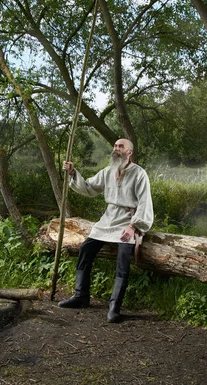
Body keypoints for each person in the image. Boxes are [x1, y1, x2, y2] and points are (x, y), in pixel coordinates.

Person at [59, 138, 154, 323]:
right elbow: (89, 188)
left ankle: (114, 307)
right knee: (86, 249)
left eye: (121, 146)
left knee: (123, 258)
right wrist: (72, 172)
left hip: (128, 221)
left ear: (129, 152)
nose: (116, 149)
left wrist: (133, 226)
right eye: (115, 146)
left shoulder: (139, 174)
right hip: (108, 220)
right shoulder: (108, 172)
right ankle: (81, 296)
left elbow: (145, 203)